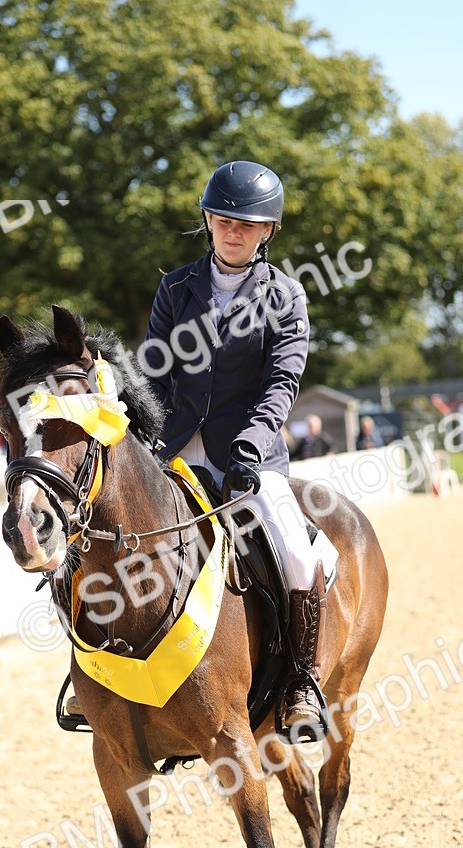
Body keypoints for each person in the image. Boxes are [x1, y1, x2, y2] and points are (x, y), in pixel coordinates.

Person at [141, 160, 328, 736]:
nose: (233, 231)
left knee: (298, 555)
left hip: (249, 456)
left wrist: (249, 444)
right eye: (223, 220)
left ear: (267, 231)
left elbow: (282, 382)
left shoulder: (286, 296)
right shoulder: (175, 287)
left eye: (247, 224)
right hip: (175, 451)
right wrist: (144, 436)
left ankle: (300, 683)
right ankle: (91, 678)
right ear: (208, 221)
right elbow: (153, 372)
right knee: (111, 529)